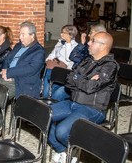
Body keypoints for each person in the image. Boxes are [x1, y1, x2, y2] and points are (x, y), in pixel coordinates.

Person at [48, 32, 118, 163]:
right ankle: (63, 151)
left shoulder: (110, 66)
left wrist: (79, 79)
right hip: (73, 102)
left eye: (93, 41)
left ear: (103, 46)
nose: (89, 43)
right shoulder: (87, 60)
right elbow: (68, 79)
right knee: (45, 115)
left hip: (92, 109)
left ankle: (76, 151)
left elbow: (91, 87)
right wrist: (86, 79)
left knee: (61, 131)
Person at [0, 21, 44, 126]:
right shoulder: (19, 46)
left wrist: (10, 73)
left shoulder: (39, 51)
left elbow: (31, 69)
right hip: (7, 76)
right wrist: (4, 72)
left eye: (23, 34)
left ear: (32, 35)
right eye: (20, 34)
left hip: (21, 82)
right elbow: (7, 59)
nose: (20, 37)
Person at [52, 24, 107, 101]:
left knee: (58, 93)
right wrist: (81, 43)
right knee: (54, 86)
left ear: (98, 33)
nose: (88, 35)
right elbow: (72, 56)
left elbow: (88, 73)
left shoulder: (100, 54)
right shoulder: (88, 46)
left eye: (91, 33)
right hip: (75, 78)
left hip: (81, 84)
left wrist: (76, 79)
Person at [42, 25, 78, 98]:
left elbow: (68, 58)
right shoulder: (60, 42)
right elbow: (53, 53)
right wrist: (48, 60)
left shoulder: (75, 46)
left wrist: (68, 43)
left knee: (49, 87)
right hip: (52, 65)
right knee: (45, 74)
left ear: (70, 35)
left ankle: (47, 98)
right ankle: (45, 96)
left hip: (62, 68)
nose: (61, 34)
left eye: (64, 33)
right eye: (62, 32)